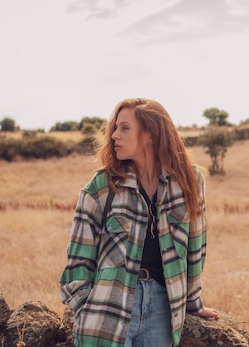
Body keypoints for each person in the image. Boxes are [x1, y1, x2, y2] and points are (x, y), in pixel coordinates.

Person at [60, 98, 220, 347]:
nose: (114, 135)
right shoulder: (101, 187)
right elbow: (77, 262)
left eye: (124, 128)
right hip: (108, 307)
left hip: (162, 308)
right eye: (115, 127)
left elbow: (196, 249)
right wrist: (87, 308)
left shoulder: (189, 180)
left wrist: (192, 303)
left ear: (151, 134)